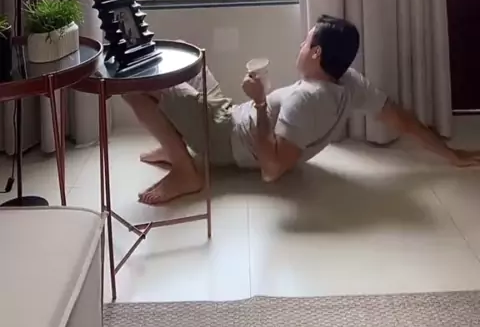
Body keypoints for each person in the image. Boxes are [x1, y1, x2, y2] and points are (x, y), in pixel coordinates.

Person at [123, 14, 480, 205]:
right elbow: (401, 118)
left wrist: (260, 102)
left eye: (306, 40)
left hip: (220, 138)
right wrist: (450, 154)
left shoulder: (306, 101)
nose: (300, 44)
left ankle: (186, 169)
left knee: (135, 86)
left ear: (316, 53)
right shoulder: (347, 82)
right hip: (228, 114)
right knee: (191, 61)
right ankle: (175, 142)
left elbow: (272, 169)